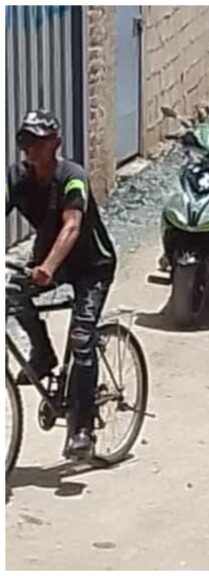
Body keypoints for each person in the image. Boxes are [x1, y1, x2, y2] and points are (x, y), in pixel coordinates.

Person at [6, 110, 118, 460]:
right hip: (49, 260)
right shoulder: (16, 177)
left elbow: (71, 226)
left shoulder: (73, 177)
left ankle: (82, 429)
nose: (30, 148)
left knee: (82, 339)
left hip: (91, 266)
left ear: (55, 143)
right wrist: (42, 267)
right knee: (12, 295)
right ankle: (42, 354)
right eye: (24, 141)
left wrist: (47, 268)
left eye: (38, 141)